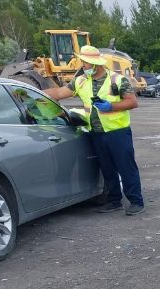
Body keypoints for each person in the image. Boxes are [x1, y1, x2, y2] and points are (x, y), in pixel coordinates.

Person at [45, 45, 144, 215]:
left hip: (118, 132)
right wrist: (30, 92)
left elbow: (132, 102)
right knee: (106, 168)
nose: (82, 66)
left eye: (85, 63)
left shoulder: (117, 80)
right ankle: (114, 201)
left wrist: (110, 106)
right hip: (96, 133)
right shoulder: (81, 81)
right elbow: (59, 92)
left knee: (126, 167)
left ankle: (136, 201)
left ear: (95, 64)